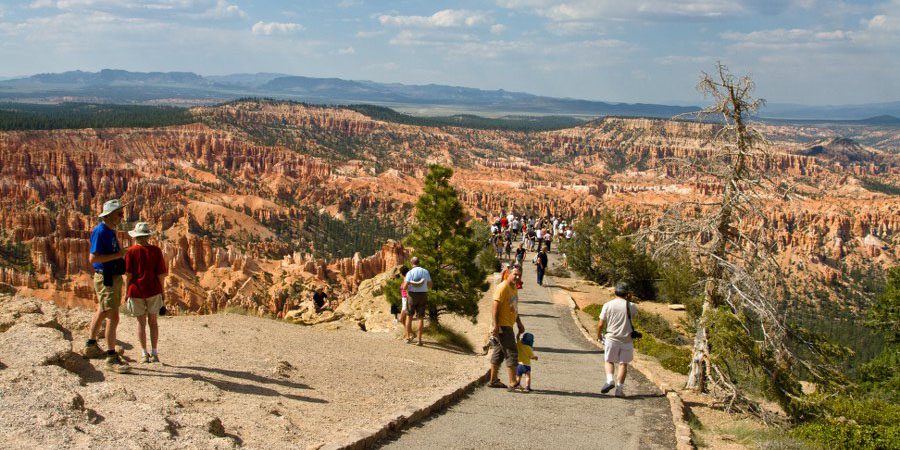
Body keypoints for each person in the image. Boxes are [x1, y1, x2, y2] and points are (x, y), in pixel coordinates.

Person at [84, 199, 131, 374]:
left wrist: (119, 255)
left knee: (102, 310)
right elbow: (93, 259)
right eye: (119, 213)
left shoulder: (110, 231)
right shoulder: (100, 231)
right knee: (113, 316)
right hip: (107, 278)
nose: (122, 216)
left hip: (111, 277)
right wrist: (118, 255)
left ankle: (91, 345)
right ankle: (111, 358)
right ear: (109, 214)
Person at [124, 222, 167, 364]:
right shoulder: (156, 251)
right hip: (153, 290)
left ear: (136, 236)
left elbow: (128, 275)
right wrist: (163, 291)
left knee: (141, 323)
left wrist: (126, 292)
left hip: (136, 291)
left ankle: (144, 354)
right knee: (153, 322)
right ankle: (155, 353)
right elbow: (161, 274)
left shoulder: (130, 251)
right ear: (148, 236)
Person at [598, 282, 640, 398]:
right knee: (623, 364)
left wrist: (599, 335)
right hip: (626, 339)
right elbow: (634, 316)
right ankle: (619, 389)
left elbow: (601, 324)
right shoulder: (631, 306)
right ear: (627, 293)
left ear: (615, 291)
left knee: (609, 360)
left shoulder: (608, 305)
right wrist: (629, 300)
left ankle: (610, 380)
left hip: (611, 337)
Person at [488, 266, 525, 391]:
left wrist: (519, 323)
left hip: (509, 323)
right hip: (503, 325)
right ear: (508, 273)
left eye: (520, 275)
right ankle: (513, 382)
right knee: (512, 352)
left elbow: (513, 307)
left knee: (499, 352)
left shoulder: (513, 288)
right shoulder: (503, 287)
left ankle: (493, 380)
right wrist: (495, 325)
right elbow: (495, 307)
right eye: (515, 274)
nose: (517, 277)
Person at [402, 257, 432, 346]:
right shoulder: (425, 271)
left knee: (409, 317)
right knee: (420, 318)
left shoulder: (410, 272)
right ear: (419, 263)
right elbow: (430, 285)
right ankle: (419, 340)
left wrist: (410, 286)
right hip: (423, 295)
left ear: (412, 263)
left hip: (412, 295)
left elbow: (405, 287)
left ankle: (407, 338)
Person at [397, 266, 410, 333]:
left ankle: (410, 333)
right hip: (404, 300)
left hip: (406, 300)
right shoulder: (405, 279)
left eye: (400, 273)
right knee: (403, 319)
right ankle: (408, 333)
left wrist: (408, 301)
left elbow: (407, 291)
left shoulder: (406, 280)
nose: (400, 274)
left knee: (402, 319)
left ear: (402, 273)